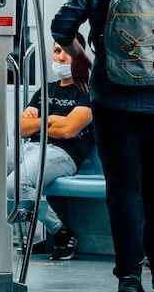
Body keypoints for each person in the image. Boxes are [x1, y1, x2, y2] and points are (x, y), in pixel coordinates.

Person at [51, 0, 154, 292]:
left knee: (123, 189)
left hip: (111, 102)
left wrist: (79, 56)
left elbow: (61, 27)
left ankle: (129, 277)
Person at [7, 41, 94, 261]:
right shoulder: (45, 90)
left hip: (62, 153)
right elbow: (21, 128)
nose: (61, 57)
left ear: (78, 57)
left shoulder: (87, 92)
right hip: (28, 148)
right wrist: (52, 119)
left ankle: (60, 231)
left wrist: (39, 122)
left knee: (15, 185)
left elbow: (68, 131)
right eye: (57, 51)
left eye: (67, 52)